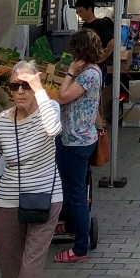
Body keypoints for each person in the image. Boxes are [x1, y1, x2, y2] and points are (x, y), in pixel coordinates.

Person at [0, 61, 62, 278]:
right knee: (10, 276)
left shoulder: (50, 108)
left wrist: (39, 89)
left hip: (46, 199)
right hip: (8, 203)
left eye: (26, 85)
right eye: (15, 86)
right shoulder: (3, 120)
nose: (21, 91)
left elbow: (53, 130)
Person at [53, 30, 103, 263]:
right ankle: (72, 225)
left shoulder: (86, 75)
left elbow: (63, 97)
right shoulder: (94, 72)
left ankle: (80, 248)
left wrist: (69, 72)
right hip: (79, 137)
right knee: (72, 189)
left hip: (76, 139)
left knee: (75, 194)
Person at [74, 0, 116, 75]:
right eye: (77, 12)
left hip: (97, 67)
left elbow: (111, 43)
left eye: (81, 11)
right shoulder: (84, 25)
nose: (79, 14)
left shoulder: (100, 24)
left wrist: (100, 59)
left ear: (89, 9)